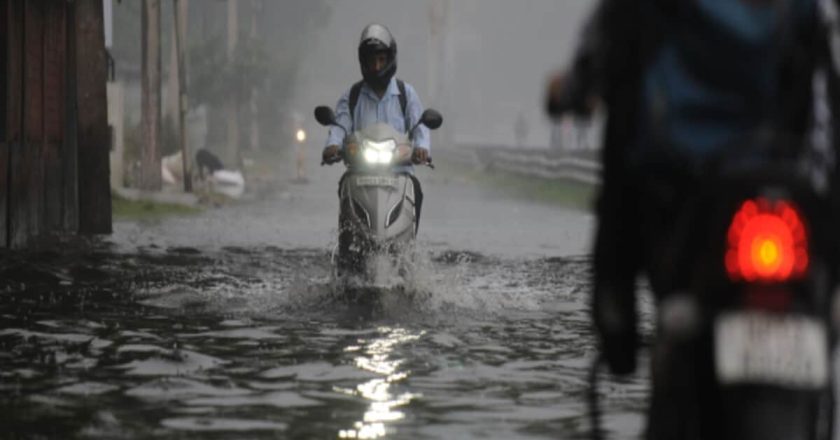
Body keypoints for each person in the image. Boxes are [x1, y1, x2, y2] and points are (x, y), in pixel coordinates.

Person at [547, 0, 836, 436]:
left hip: (685, 203)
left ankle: (617, 321)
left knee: (622, 221)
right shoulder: (807, 12)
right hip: (791, 199)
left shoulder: (630, 16)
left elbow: (595, 70)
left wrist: (570, 91)